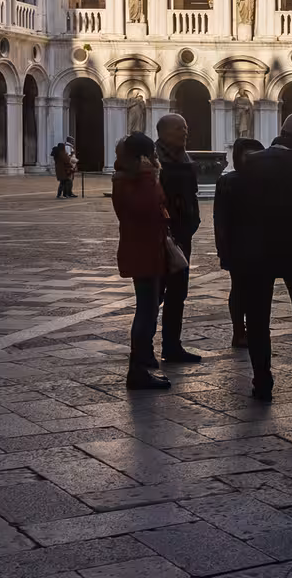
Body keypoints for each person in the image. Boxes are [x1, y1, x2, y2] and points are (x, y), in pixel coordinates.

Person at [214, 111, 292, 400]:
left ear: (281, 131)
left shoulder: (250, 164)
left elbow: (232, 209)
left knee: (257, 318)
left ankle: (262, 381)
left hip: (255, 253)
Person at [110, 133, 171, 391]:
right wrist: (149, 178)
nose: (156, 159)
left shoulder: (130, 179)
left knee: (149, 306)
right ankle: (137, 371)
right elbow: (148, 208)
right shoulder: (134, 181)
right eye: (152, 154)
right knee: (146, 311)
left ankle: (143, 358)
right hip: (143, 251)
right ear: (143, 157)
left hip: (146, 249)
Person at [154, 114, 202, 364]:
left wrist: (193, 222)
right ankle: (143, 350)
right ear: (162, 132)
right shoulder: (154, 161)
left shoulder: (184, 158)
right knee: (155, 294)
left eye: (185, 127)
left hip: (183, 236)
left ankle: (172, 345)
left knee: (177, 293)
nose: (184, 131)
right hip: (160, 237)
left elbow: (190, 195)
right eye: (178, 128)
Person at [218, 138, 264, 348]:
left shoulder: (266, 180)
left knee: (259, 290)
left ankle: (256, 328)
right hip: (237, 244)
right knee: (239, 288)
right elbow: (220, 218)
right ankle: (239, 329)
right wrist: (223, 248)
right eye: (248, 154)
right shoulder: (228, 181)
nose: (252, 159)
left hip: (262, 243)